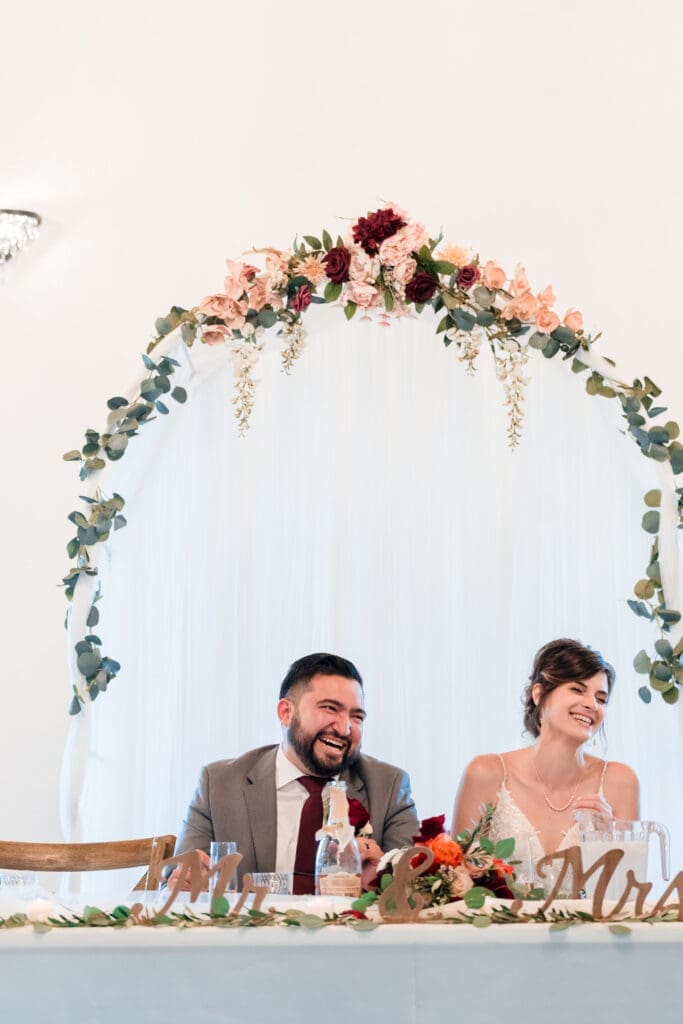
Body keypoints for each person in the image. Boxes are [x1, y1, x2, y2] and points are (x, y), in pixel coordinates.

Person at [172, 652, 419, 892]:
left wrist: (383, 880)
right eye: (331, 709)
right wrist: (191, 882)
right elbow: (176, 885)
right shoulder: (219, 784)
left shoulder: (389, 787)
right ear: (286, 712)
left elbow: (417, 891)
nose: (345, 728)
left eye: (357, 717)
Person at [452, 638, 640, 869]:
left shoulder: (620, 782)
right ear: (539, 694)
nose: (592, 705)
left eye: (601, 699)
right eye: (577, 690)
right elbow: (459, 886)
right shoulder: (485, 774)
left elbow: (628, 895)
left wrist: (609, 840)